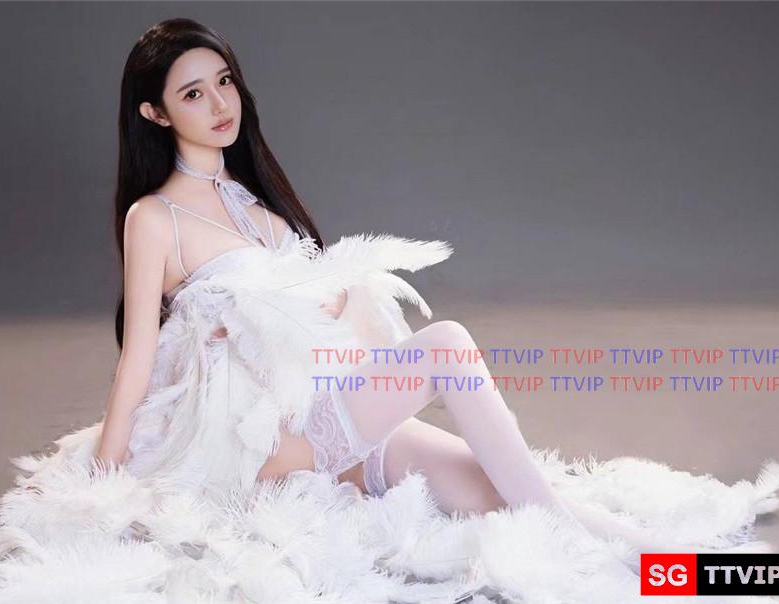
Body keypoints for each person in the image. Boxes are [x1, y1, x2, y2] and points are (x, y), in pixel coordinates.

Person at [87, 18, 704, 569]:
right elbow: (139, 357)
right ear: (156, 114)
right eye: (193, 94)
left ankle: (700, 570)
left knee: (509, 489)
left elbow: (317, 322)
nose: (221, 104)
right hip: (267, 445)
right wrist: (101, 482)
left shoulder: (262, 211)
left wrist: (337, 301)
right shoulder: (155, 218)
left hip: (336, 409)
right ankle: (581, 543)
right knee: (447, 345)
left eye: (225, 81)